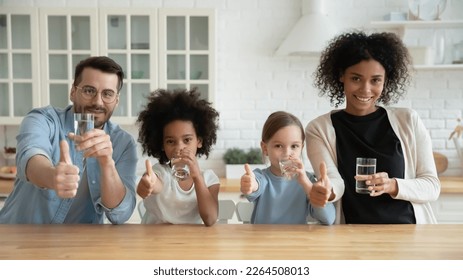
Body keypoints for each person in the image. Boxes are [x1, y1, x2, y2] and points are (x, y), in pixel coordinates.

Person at [305, 31, 440, 224]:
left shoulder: (408, 120)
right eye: (356, 79)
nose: (366, 89)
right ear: (341, 75)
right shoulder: (319, 129)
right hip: (352, 236)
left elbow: (431, 186)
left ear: (386, 81)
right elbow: (334, 182)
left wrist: (392, 185)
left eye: (375, 80)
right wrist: (327, 191)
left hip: (409, 234)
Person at [0, 56, 138, 224]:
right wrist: (52, 176)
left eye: (107, 94)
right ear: (73, 92)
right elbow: (30, 158)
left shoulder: (124, 144)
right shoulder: (43, 119)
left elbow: (120, 215)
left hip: (79, 245)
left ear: (116, 100)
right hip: (20, 236)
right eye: (89, 90)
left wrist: (107, 163)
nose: (97, 102)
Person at [136, 88, 220, 226]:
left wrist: (197, 175)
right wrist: (148, 183)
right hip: (154, 243)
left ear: (199, 141)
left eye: (186, 140)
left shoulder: (209, 179)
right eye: (170, 141)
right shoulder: (160, 173)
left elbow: (210, 219)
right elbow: (154, 183)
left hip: (192, 245)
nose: (179, 147)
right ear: (162, 144)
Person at [240, 111, 335, 225]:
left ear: (301, 148)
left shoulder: (308, 181)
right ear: (265, 148)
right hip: (263, 241)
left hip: (295, 241)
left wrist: (307, 186)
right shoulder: (261, 177)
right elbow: (256, 185)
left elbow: (329, 219)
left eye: (294, 146)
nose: (287, 153)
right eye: (278, 146)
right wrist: (251, 184)